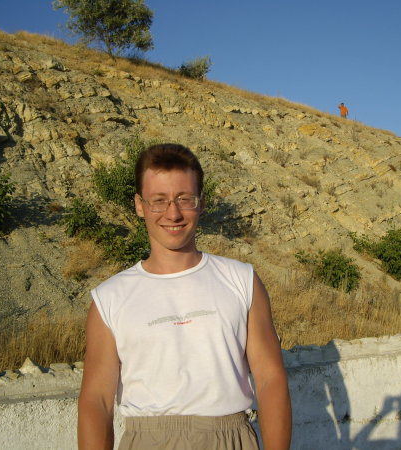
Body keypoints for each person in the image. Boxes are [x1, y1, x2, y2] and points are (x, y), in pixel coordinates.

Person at [78, 143, 292, 450]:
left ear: (201, 203)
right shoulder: (109, 299)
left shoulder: (242, 281)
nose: (173, 214)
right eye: (159, 201)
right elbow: (96, 400)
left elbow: (270, 378)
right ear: (139, 205)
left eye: (184, 199)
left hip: (231, 439)